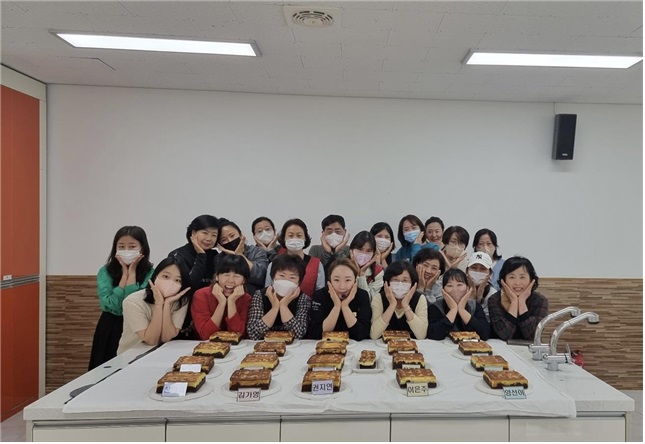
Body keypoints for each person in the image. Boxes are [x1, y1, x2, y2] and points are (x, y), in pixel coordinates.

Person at [88, 226, 154, 370]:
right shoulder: (105, 271)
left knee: (133, 368)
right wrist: (125, 276)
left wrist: (132, 273)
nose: (126, 250)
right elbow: (113, 305)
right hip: (111, 325)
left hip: (137, 326)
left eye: (132, 246)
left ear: (142, 248)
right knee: (105, 369)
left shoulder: (151, 273)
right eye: (121, 246)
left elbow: (133, 304)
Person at [117, 257, 191, 354]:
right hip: (130, 355)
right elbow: (151, 340)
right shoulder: (133, 301)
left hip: (160, 355)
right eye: (166, 276)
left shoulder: (180, 300)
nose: (170, 283)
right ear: (155, 276)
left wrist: (167, 305)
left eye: (178, 280)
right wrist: (158, 304)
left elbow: (166, 337)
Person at [247, 255, 312, 340]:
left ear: (299, 282)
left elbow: (298, 334)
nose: (286, 280)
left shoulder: (303, 298)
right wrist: (275, 308)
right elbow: (253, 334)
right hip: (265, 345)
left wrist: (283, 306)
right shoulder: (260, 295)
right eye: (282, 275)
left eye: (292, 277)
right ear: (273, 277)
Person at [191, 255, 252, 340]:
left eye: (237, 276)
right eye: (226, 275)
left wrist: (231, 302)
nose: (231, 280)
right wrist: (221, 303)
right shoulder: (201, 295)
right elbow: (205, 335)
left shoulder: (246, 299)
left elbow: (239, 334)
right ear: (217, 276)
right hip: (205, 345)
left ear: (244, 280)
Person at [488, 256, 548, 341]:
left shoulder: (540, 301)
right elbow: (504, 335)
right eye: (512, 277)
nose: (517, 283)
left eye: (522, 277)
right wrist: (514, 302)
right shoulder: (495, 300)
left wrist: (522, 302)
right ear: (503, 280)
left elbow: (533, 336)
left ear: (531, 280)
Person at [310, 259, 372, 341]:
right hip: (327, 346)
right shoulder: (320, 296)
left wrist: (345, 306)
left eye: (348, 280)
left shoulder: (362, 295)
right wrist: (337, 306)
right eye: (336, 280)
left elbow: (361, 334)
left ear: (355, 281)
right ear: (329, 280)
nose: (342, 287)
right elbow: (317, 334)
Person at [264, 218, 324, 298]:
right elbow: (267, 291)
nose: (295, 238)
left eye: (299, 236)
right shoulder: (273, 264)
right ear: (284, 239)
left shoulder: (317, 264)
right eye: (290, 236)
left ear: (305, 238)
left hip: (307, 305)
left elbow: (320, 294)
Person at [370, 260, 428, 340]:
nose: (400, 284)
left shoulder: (420, 299)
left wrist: (406, 306)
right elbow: (374, 335)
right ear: (387, 282)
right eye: (395, 280)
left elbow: (421, 335)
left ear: (413, 284)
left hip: (411, 346)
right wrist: (392, 305)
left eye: (405, 280)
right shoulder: (379, 298)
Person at [426, 268, 490, 340]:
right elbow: (433, 335)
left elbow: (485, 334)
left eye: (459, 285)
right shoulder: (436, 306)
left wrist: (461, 310)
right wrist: (453, 309)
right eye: (449, 286)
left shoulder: (474, 305)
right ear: (443, 290)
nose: (455, 290)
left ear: (467, 288)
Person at [216, 218, 269, 295]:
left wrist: (239, 255)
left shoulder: (256, 251)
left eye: (232, 236)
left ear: (240, 235)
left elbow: (260, 277)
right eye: (224, 240)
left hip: (254, 296)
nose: (230, 240)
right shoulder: (219, 258)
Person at [168, 214, 220, 290]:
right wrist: (201, 255)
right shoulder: (178, 255)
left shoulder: (215, 256)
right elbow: (189, 287)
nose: (209, 238)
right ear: (193, 233)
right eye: (205, 233)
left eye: (214, 235)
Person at [348, 230, 384, 301]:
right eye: (360, 249)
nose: (363, 254)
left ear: (374, 254)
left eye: (369, 251)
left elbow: (369, 300)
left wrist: (362, 274)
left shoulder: (378, 272)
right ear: (351, 250)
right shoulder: (341, 266)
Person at [466, 251, 497, 320]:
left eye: (483, 269)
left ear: (490, 273)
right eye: (474, 268)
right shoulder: (460, 289)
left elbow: (485, 322)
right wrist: (472, 298)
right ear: (467, 271)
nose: (478, 272)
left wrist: (479, 299)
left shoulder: (493, 294)